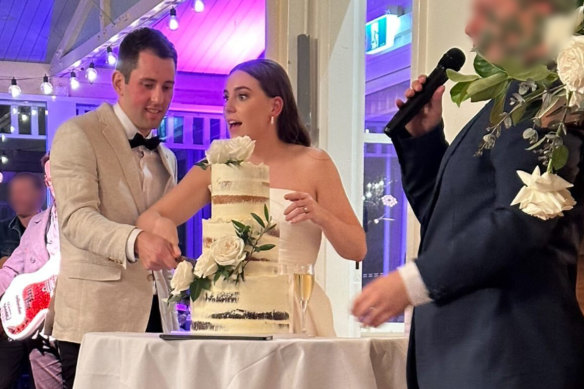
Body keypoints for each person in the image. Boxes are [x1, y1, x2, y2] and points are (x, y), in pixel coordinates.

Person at [352, 0, 584, 387]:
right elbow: (452, 223)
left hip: (510, 357)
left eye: (485, 9)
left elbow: (524, 220)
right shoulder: (509, 101)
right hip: (472, 358)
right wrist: (424, 139)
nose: (470, 28)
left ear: (538, 8)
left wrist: (411, 282)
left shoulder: (549, 95)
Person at [137, 58, 367, 336]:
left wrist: (321, 214)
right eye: (227, 97)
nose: (228, 107)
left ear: (275, 106)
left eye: (242, 96)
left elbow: (357, 249)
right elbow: (150, 218)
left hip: (297, 313)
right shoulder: (215, 168)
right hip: (231, 318)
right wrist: (162, 225)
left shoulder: (315, 163)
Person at [49, 28, 180, 389]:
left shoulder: (166, 157)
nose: (158, 98)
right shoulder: (78, 134)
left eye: (167, 87)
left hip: (157, 320)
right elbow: (76, 219)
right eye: (148, 84)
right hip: (94, 321)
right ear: (119, 82)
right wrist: (137, 241)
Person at [0, 154, 62, 389]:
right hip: (40, 333)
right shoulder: (38, 224)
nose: (53, 183)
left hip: (79, 329)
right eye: (49, 179)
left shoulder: (91, 219)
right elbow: (10, 270)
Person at [0, 172, 45, 389]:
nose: (18, 197)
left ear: (41, 192)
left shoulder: (50, 227)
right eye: (14, 192)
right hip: (9, 321)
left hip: (45, 320)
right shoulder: (1, 230)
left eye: (24, 191)